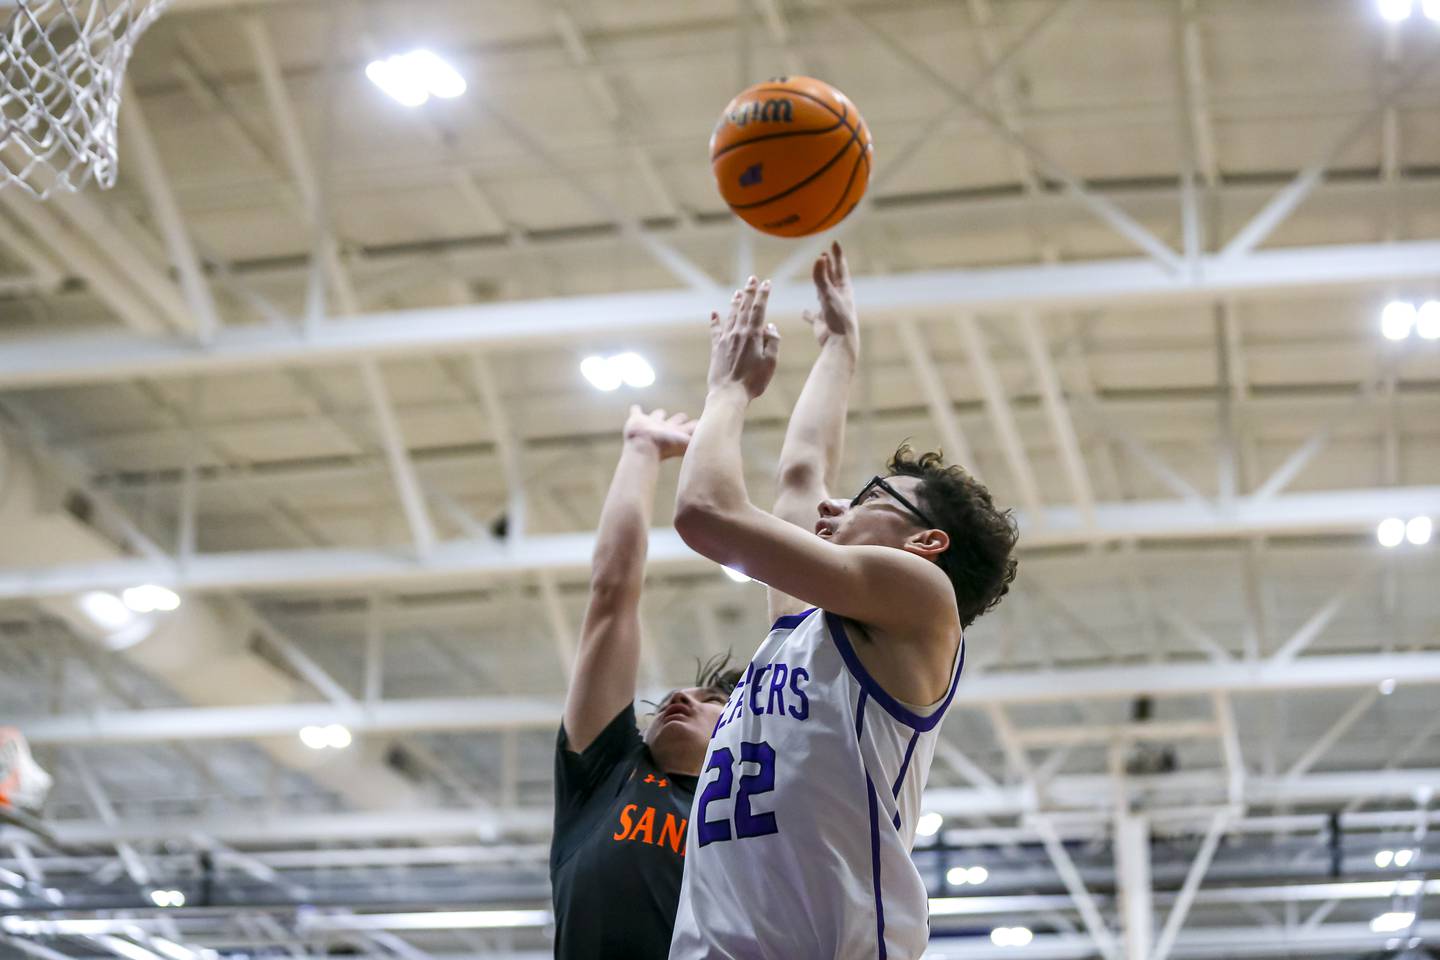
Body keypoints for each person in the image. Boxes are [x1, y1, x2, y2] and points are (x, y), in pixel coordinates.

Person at [667, 247, 1020, 960]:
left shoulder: (923, 600)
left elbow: (705, 512)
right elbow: (802, 475)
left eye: (868, 498)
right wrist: (839, 347)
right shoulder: (802, 625)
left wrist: (728, 391)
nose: (835, 506)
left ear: (926, 542)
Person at [550, 405, 743, 960]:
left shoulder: (752, 812)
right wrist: (641, 449)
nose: (681, 698)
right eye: (672, 698)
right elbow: (611, 594)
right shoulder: (607, 771)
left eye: (712, 701)